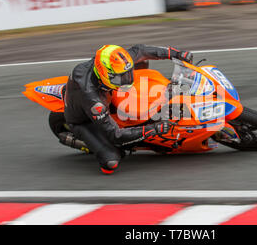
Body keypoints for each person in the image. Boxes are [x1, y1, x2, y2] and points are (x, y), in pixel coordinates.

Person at [61, 44, 193, 174]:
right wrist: (153, 129)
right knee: (111, 160)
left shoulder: (111, 63)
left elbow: (141, 50)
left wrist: (176, 54)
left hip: (104, 93)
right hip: (84, 120)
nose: (128, 80)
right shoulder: (94, 102)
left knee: (143, 60)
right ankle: (88, 144)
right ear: (105, 74)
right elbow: (115, 135)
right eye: (122, 77)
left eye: (128, 74)